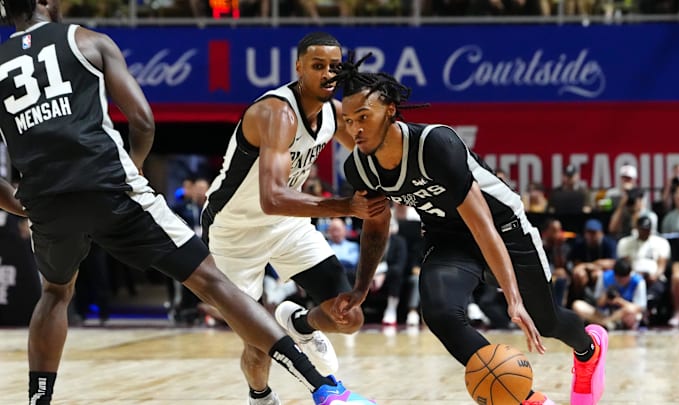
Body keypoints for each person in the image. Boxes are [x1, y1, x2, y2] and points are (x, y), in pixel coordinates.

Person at [0, 3, 374, 404]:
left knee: (55, 294)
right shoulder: (85, 39)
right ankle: (314, 388)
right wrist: (136, 170)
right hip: (132, 193)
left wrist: (22, 204)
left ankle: (38, 400)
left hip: (46, 200)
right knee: (214, 285)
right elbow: (142, 120)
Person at [329, 55, 609, 405]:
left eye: (363, 117)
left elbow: (482, 224)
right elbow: (376, 226)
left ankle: (589, 348)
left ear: (389, 109)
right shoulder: (360, 168)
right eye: (349, 120)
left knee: (544, 320)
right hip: (446, 238)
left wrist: (513, 298)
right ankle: (524, 398)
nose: (355, 128)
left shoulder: (436, 144)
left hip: (502, 227)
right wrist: (360, 287)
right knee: (440, 312)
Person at [201, 33, 388, 405]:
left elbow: (372, 156)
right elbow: (271, 198)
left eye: (334, 67)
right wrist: (347, 207)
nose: (327, 74)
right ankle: (260, 396)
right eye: (317, 66)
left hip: (288, 225)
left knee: (347, 315)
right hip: (235, 231)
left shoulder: (334, 115)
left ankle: (299, 323)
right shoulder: (277, 113)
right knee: (257, 341)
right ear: (299, 67)